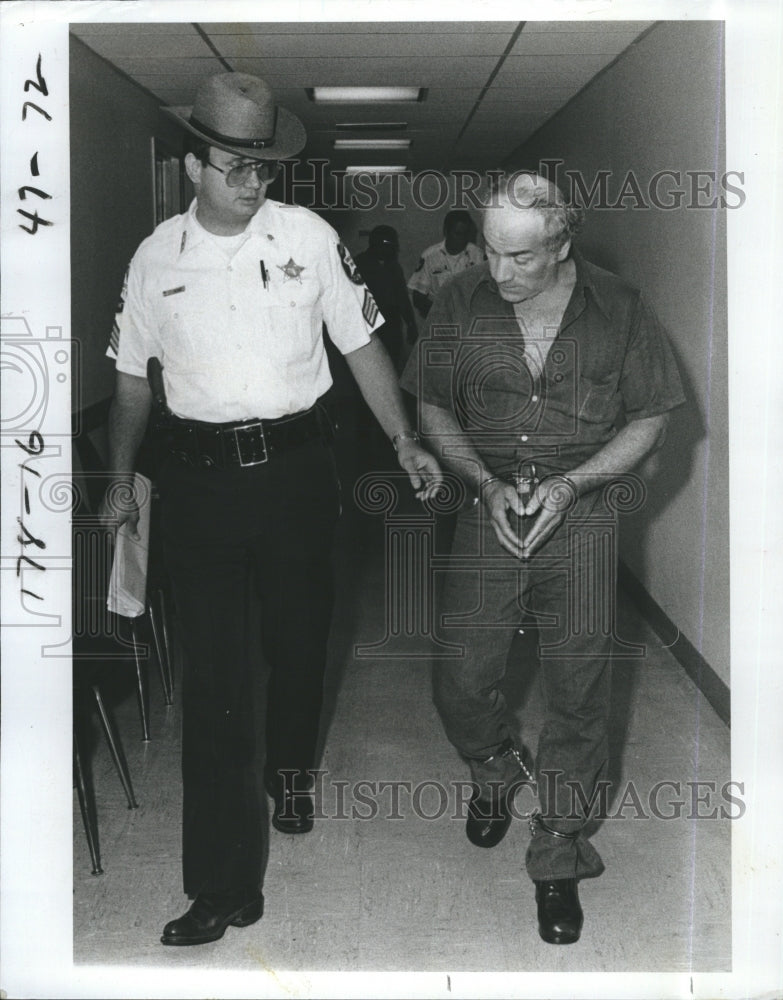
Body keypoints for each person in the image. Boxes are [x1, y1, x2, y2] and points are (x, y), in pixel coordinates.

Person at [100, 72, 441, 948]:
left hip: (295, 476)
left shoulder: (311, 237)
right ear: (191, 167)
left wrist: (402, 439)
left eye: (263, 169)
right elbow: (132, 378)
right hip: (201, 486)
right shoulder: (152, 259)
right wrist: (121, 478)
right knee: (215, 689)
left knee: (298, 641)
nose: (252, 185)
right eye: (233, 168)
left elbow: (361, 343)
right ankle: (221, 885)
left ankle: (291, 772)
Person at [400, 172, 685, 945]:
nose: (500, 273)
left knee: (579, 689)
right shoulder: (461, 300)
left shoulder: (618, 308)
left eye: (521, 258)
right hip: (487, 506)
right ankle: (494, 770)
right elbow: (430, 402)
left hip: (582, 514)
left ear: (563, 244)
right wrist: (485, 485)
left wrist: (572, 484)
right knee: (460, 676)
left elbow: (651, 417)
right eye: (492, 252)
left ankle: (558, 849)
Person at [354, 224, 417, 372]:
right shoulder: (359, 265)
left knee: (392, 367)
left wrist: (411, 323)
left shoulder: (393, 266)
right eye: (388, 244)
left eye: (393, 245)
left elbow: (402, 297)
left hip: (391, 325)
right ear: (375, 243)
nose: (392, 249)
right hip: (368, 326)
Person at [407, 209, 485, 319]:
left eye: (465, 234)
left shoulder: (477, 255)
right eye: (457, 234)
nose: (462, 239)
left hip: (469, 318)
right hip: (440, 319)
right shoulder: (430, 256)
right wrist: (442, 312)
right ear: (446, 231)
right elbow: (418, 298)